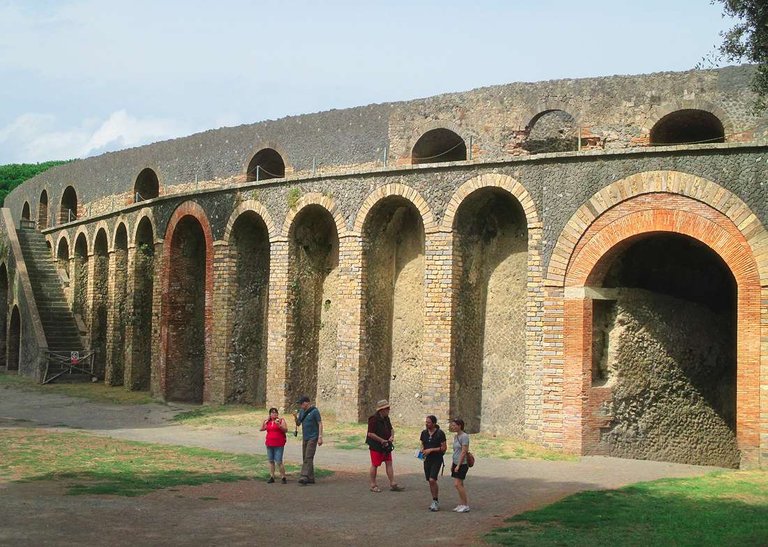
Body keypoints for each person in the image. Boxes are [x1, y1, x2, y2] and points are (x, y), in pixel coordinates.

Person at [366, 399, 404, 492]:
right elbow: (370, 434)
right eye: (387, 408)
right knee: (375, 465)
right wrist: (382, 440)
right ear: (382, 410)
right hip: (376, 446)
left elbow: (391, 429)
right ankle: (373, 485)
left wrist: (391, 437)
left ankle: (392, 483)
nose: (389, 410)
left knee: (389, 463)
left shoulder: (386, 418)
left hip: (386, 445)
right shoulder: (373, 419)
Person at [293, 395, 322, 485]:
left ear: (307, 402)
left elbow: (320, 423)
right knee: (305, 456)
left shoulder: (315, 411)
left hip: (313, 436)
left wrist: (320, 437)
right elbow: (298, 423)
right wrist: (295, 417)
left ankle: (304, 476)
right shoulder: (302, 411)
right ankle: (311, 477)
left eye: (302, 403)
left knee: (308, 456)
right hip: (305, 436)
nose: (301, 405)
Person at [420, 415, 447, 511]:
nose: (427, 424)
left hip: (437, 459)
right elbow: (422, 444)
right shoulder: (424, 433)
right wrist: (422, 451)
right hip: (427, 460)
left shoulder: (440, 434)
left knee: (432, 479)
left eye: (429, 422)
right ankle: (434, 500)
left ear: (434, 423)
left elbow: (444, 448)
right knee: (430, 481)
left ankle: (435, 501)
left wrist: (431, 450)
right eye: (426, 422)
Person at [260, 407, 288, 484]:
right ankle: (272, 476)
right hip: (269, 443)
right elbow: (262, 429)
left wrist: (279, 425)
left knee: (279, 461)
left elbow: (285, 430)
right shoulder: (268, 422)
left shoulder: (281, 420)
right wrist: (264, 421)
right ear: (270, 414)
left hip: (279, 444)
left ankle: (283, 477)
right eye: (272, 413)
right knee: (271, 461)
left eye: (275, 413)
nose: (274, 414)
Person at [449, 418, 470, 513]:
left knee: (457, 484)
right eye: (452, 425)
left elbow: (463, 451)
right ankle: (461, 503)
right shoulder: (455, 436)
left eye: (454, 425)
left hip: (462, 463)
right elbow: (455, 451)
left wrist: (458, 465)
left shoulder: (464, 436)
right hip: (455, 462)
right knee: (460, 484)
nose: (452, 427)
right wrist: (453, 464)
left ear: (459, 426)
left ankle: (465, 505)